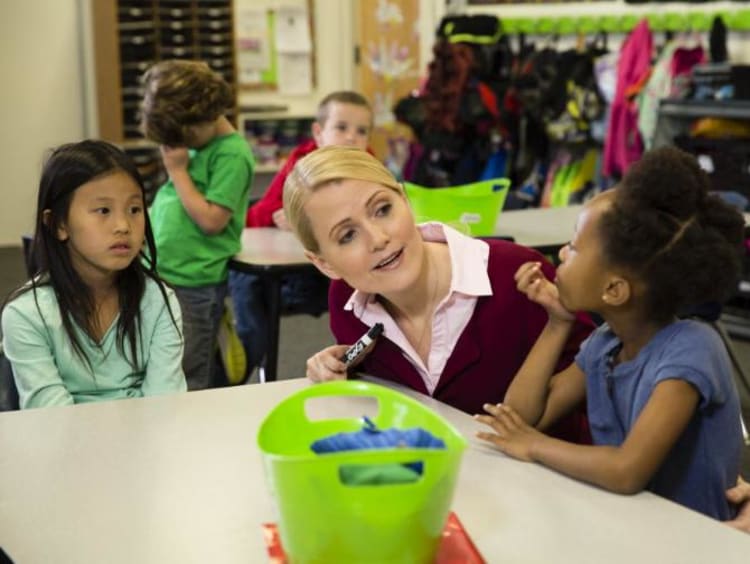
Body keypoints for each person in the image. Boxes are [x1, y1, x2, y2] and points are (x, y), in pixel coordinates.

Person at [475, 146, 744, 521]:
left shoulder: (692, 349)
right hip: (630, 526)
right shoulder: (606, 344)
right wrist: (558, 323)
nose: (562, 256)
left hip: (694, 540)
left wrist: (534, 446)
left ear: (614, 291)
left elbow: (626, 470)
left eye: (574, 248)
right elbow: (523, 417)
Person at [286, 146, 594, 441]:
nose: (379, 238)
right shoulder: (347, 303)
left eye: (383, 209)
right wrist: (337, 371)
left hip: (545, 484)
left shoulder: (520, 275)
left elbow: (600, 371)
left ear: (404, 199)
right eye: (348, 235)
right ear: (324, 263)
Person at [1, 140, 186, 409]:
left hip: (148, 443)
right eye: (103, 211)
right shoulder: (27, 314)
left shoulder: (159, 301)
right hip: (67, 446)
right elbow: (52, 417)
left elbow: (165, 404)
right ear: (58, 224)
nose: (123, 226)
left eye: (134, 209)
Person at [228, 91, 372, 378]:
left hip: (346, 276)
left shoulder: (368, 167)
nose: (351, 138)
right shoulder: (301, 164)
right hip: (297, 275)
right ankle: (242, 366)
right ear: (319, 133)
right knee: (249, 289)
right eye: (341, 128)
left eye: (362, 131)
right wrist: (286, 215)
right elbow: (257, 216)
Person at [141, 60, 255, 390]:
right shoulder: (198, 145)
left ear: (204, 118)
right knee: (159, 356)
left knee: (188, 365)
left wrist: (177, 171)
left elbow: (211, 220)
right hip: (163, 271)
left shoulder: (232, 155)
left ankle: (189, 431)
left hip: (194, 282)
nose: (180, 147)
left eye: (183, 137)